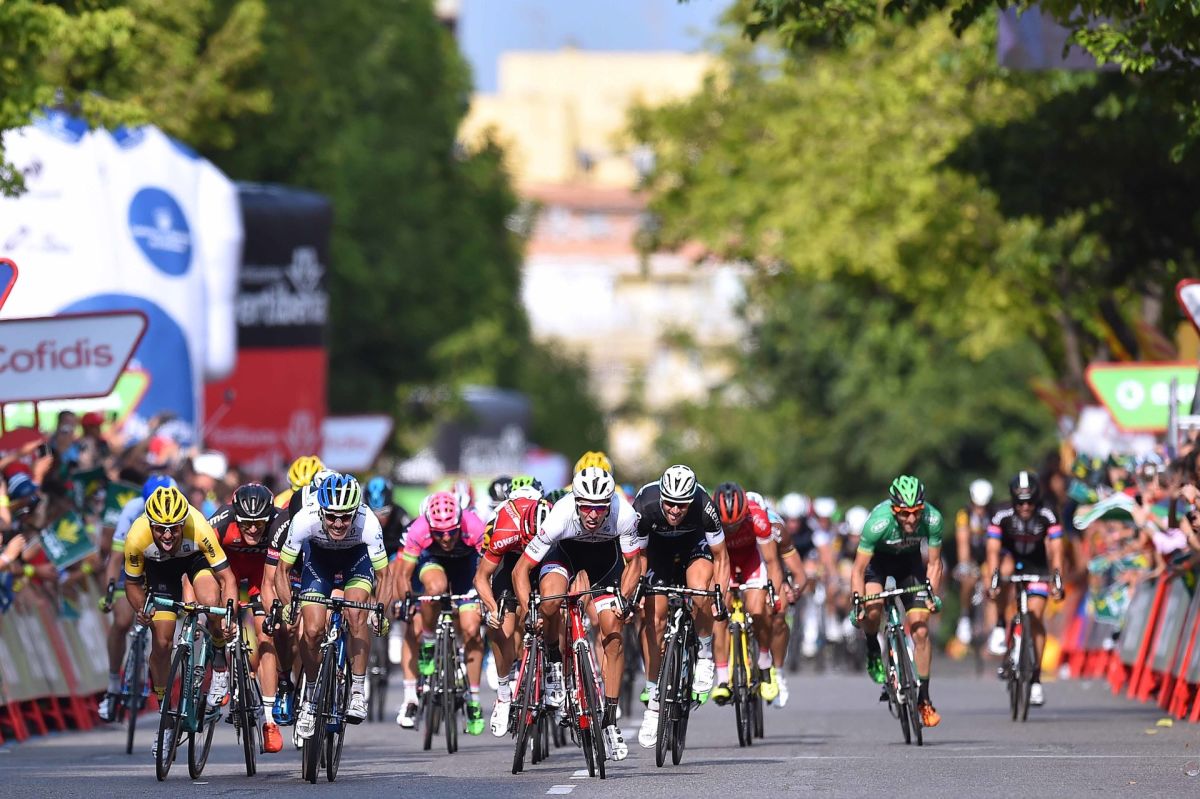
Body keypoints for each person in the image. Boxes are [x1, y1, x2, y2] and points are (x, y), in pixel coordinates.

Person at [512, 466, 643, 762]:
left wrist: (625, 599)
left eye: (600, 508)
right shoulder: (560, 514)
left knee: (613, 631)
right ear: (576, 502)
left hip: (605, 563)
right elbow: (521, 570)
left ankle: (609, 719)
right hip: (564, 556)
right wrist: (530, 610)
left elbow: (634, 563)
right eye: (586, 507)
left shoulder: (623, 513)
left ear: (609, 504)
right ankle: (555, 664)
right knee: (550, 602)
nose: (593, 515)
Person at [122, 486, 238, 755]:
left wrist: (228, 614)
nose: (167, 535)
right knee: (162, 642)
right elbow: (132, 583)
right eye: (160, 529)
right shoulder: (137, 536)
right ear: (150, 525)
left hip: (195, 562)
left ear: (183, 523)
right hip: (160, 572)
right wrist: (141, 609)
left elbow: (227, 578)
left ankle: (218, 661)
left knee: (210, 602)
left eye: (174, 528)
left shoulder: (198, 526)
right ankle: (165, 718)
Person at [277, 474, 393, 737]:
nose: (338, 524)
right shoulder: (304, 519)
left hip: (356, 562)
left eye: (345, 517)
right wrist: (287, 605)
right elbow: (282, 570)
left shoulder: (368, 522)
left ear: (355, 513)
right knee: (312, 630)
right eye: (331, 517)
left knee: (356, 613)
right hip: (319, 564)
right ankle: (310, 698)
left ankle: (357, 692)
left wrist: (380, 611)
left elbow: (385, 576)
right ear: (321, 511)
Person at [634, 465, 727, 748]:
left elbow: (721, 557)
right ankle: (653, 703)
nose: (675, 510)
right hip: (657, 551)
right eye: (670, 503)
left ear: (691, 500)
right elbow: (637, 555)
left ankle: (705, 654)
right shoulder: (645, 504)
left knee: (700, 591)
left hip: (693, 546)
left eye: (682, 505)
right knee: (655, 620)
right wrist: (638, 589)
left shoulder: (704, 506)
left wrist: (719, 595)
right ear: (661, 497)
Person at [850, 475, 944, 728]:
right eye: (904, 513)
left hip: (909, 565)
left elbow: (935, 564)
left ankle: (924, 699)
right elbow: (858, 570)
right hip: (877, 565)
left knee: (921, 631)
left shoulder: (933, 519)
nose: (911, 519)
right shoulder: (877, 524)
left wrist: (932, 595)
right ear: (894, 510)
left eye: (916, 512)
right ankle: (873, 646)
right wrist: (858, 602)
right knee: (873, 612)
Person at [395, 491, 488, 735]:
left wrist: (486, 600)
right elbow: (403, 574)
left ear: (460, 522)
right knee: (434, 589)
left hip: (466, 569)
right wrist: (406, 601)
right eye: (439, 533)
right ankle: (428, 641)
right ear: (429, 525)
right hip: (432, 563)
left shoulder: (474, 526)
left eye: (452, 532)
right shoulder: (418, 529)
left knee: (471, 629)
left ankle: (473, 700)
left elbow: (488, 568)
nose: (446, 538)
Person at [206, 482, 287, 752]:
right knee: (215, 611)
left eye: (259, 524)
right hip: (226, 571)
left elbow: (284, 569)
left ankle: (269, 720)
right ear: (235, 516)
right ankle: (220, 662)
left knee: (266, 636)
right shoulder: (220, 521)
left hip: (262, 576)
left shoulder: (279, 522)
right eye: (246, 524)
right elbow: (195, 562)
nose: (253, 529)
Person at [97, 474, 175, 723]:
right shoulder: (132, 509)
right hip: (132, 561)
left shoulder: (177, 506)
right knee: (121, 621)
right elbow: (115, 558)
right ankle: (112, 687)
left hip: (161, 563)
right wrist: (109, 591)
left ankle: (154, 674)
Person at [474, 488, 550, 735]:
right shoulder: (503, 528)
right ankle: (504, 693)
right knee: (502, 627)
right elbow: (481, 577)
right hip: (509, 561)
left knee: (555, 606)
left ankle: (556, 674)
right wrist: (492, 608)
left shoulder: (554, 522)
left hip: (546, 559)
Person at [986, 471, 1064, 707]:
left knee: (1036, 616)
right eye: (1020, 503)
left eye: (1030, 502)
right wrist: (993, 580)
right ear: (1013, 501)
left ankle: (1036, 679)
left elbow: (1056, 550)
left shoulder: (1047, 513)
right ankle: (1001, 623)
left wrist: (1057, 579)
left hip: (1037, 564)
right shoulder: (1001, 514)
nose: (1025, 507)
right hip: (1010, 557)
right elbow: (992, 551)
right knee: (1003, 572)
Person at [710, 482, 785, 705]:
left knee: (758, 609)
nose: (731, 529)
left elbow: (772, 562)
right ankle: (722, 679)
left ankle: (764, 662)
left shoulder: (758, 518)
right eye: (726, 525)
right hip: (724, 562)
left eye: (736, 524)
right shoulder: (709, 518)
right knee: (719, 613)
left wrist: (774, 594)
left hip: (751, 560)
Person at [954, 479, 994, 645]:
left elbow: (995, 544)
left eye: (983, 506)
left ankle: (992, 630)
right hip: (971, 556)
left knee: (991, 585)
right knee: (968, 579)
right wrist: (965, 565)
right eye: (977, 506)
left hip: (988, 555)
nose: (980, 510)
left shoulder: (993, 515)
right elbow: (963, 542)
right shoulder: (964, 515)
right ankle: (964, 616)